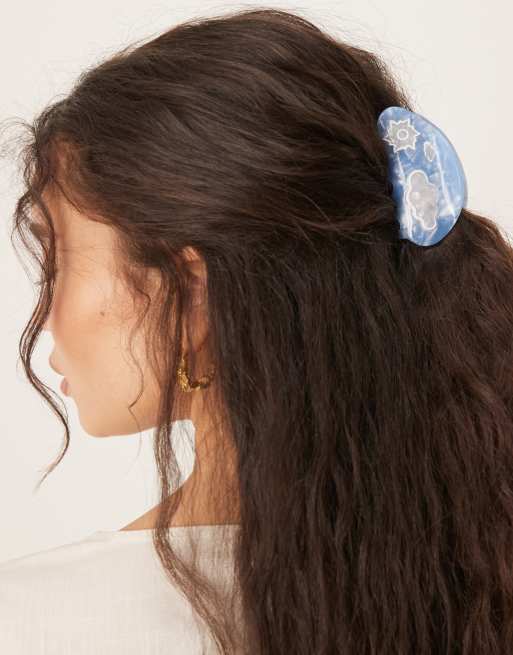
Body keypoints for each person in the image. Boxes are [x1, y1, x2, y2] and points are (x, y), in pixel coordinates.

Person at [1, 6, 512, 655]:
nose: (45, 317)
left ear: (191, 295)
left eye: (58, 260)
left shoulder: (31, 624)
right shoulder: (478, 577)